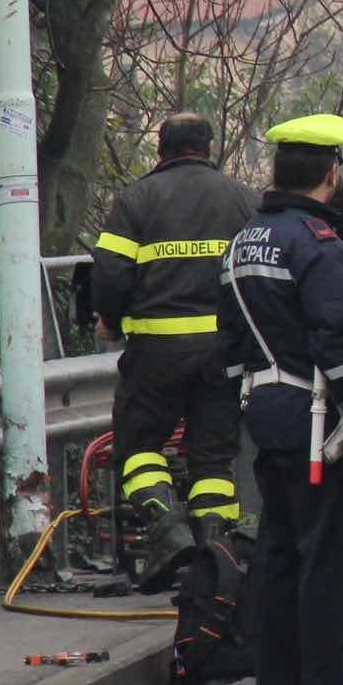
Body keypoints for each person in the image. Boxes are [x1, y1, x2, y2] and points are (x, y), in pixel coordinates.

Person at [221, 114, 343, 685]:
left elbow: (228, 337)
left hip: (264, 413)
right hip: (318, 421)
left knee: (277, 555)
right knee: (331, 559)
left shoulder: (246, 239)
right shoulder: (318, 242)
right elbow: (342, 344)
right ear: (332, 173)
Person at [89, 112, 255, 584]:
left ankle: (167, 524)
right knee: (213, 458)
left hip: (155, 352)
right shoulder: (243, 200)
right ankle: (215, 550)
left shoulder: (137, 199)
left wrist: (111, 318)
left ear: (161, 149)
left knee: (138, 446)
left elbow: (110, 275)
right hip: (223, 353)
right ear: (209, 148)